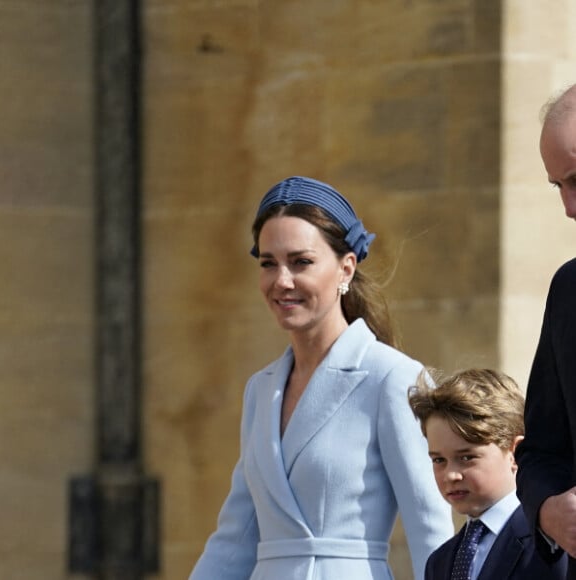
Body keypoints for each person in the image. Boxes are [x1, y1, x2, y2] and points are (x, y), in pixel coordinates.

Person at [189, 176, 454, 580]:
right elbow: (235, 538)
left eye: (301, 262)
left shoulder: (393, 377)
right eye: (267, 263)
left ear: (346, 268)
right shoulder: (260, 389)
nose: (281, 280)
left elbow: (429, 530)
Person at [408, 368, 567, 579]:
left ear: (515, 452)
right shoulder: (440, 562)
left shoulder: (551, 541)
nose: (450, 475)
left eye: (467, 458)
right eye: (439, 460)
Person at [515, 82, 576, 578]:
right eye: (558, 185)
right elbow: (540, 453)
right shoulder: (569, 291)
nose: (570, 208)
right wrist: (550, 510)